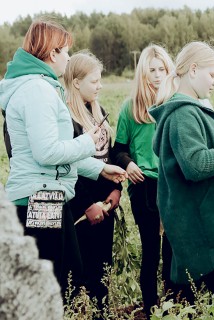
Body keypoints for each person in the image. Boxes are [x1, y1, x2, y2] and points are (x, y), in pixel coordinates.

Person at [0, 18, 127, 295]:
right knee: (54, 286)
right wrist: (86, 142)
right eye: (66, 51)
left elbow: (54, 152)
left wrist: (99, 169)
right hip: (41, 197)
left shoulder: (38, 86)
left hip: (46, 194)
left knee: (65, 277)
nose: (68, 58)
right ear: (52, 52)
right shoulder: (36, 90)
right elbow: (48, 152)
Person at [148, 41, 214, 315]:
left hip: (211, 227)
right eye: (212, 74)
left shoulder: (190, 109)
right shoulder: (183, 114)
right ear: (193, 70)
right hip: (206, 233)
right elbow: (196, 164)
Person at [111, 43, 175, 316]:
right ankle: (150, 305)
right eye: (152, 70)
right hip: (144, 184)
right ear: (143, 73)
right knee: (151, 248)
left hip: (173, 183)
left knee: (173, 246)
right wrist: (129, 163)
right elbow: (118, 149)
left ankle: (174, 302)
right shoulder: (130, 108)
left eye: (162, 69)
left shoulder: (175, 103)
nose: (158, 75)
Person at [63, 51, 122, 311]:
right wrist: (88, 204)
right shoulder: (66, 119)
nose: (100, 86)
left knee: (102, 268)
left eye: (100, 80)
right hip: (80, 209)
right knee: (79, 272)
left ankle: (103, 313)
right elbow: (69, 165)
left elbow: (109, 159)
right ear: (76, 82)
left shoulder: (101, 114)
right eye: (94, 81)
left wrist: (115, 190)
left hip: (105, 206)